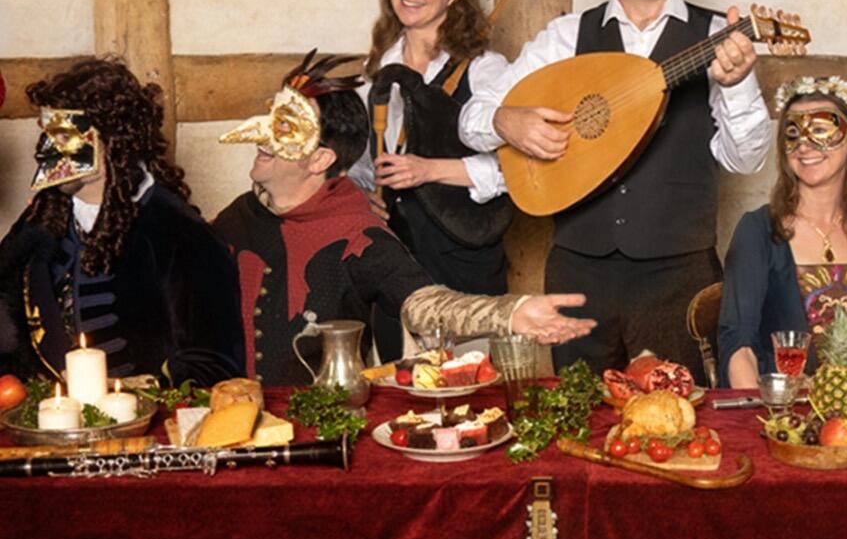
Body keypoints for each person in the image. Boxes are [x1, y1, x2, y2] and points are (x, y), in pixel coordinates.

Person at [458, 0, 773, 383]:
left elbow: (748, 157)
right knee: (576, 419)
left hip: (681, 275)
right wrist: (507, 120)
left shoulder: (719, 36)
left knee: (679, 427)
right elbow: (472, 118)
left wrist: (738, 83)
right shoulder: (565, 38)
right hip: (577, 271)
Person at [215, 53, 594, 386]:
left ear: (320, 160)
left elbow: (426, 305)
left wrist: (510, 313)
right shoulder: (234, 218)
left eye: (286, 128)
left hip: (316, 435)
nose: (264, 136)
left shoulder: (355, 234)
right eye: (271, 117)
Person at [0, 58, 244, 385]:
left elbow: (215, 364)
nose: (46, 152)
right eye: (46, 135)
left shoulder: (180, 233)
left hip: (143, 429)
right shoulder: (39, 222)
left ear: (111, 143)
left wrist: (141, 389)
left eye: (62, 137)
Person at [718, 76, 847, 386]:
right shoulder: (759, 231)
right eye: (793, 133)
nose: (805, 146)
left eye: (820, 130)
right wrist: (757, 422)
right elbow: (738, 344)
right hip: (783, 415)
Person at [348, 0, 511, 297]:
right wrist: (363, 198)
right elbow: (361, 163)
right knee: (396, 357)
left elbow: (515, 171)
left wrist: (428, 170)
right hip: (396, 256)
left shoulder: (486, 69)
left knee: (469, 358)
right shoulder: (374, 69)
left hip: (465, 258)